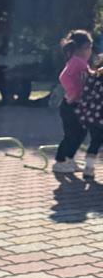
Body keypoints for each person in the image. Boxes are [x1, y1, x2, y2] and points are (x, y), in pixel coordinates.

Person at [53, 30, 93, 174]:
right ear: (84, 47)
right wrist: (73, 92)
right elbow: (64, 77)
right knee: (71, 134)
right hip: (71, 105)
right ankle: (59, 161)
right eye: (90, 47)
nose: (91, 51)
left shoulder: (81, 62)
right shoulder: (77, 61)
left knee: (81, 132)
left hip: (79, 104)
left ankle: (70, 159)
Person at [76, 59, 103, 180]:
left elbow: (85, 95)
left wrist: (83, 113)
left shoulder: (93, 77)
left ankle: (88, 167)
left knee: (94, 142)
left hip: (92, 117)